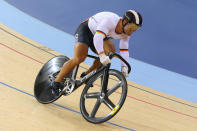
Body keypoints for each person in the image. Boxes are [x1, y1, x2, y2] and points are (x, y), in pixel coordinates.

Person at [51, 10, 143, 95]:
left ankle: (87, 75)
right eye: (131, 28)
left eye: (135, 29)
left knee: (110, 53)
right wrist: (101, 55)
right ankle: (56, 81)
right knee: (79, 58)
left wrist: (124, 67)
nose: (131, 32)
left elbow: (124, 50)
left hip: (101, 34)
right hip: (86, 30)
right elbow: (97, 38)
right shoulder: (110, 21)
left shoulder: (126, 32)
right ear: (124, 22)